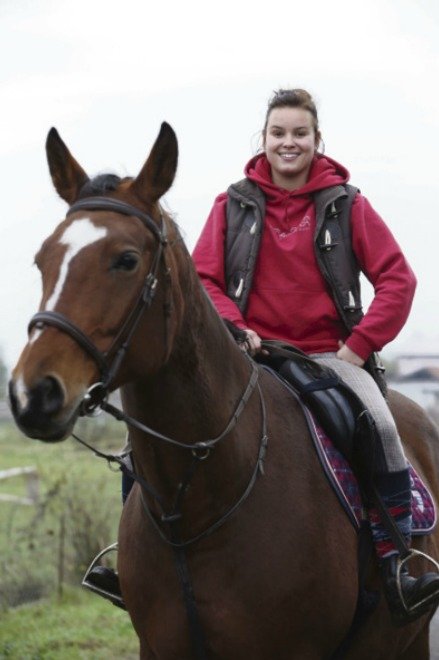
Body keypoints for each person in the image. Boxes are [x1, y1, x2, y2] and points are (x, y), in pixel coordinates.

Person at [191, 88, 439, 625]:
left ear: (316, 140)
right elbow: (203, 279)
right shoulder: (230, 204)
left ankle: (401, 561)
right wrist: (236, 329)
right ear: (264, 139)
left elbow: (399, 279)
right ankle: (133, 564)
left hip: (332, 357)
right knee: (153, 432)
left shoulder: (348, 204)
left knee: (383, 427)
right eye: (278, 132)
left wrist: (358, 347)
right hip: (249, 356)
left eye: (299, 133)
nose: (288, 142)